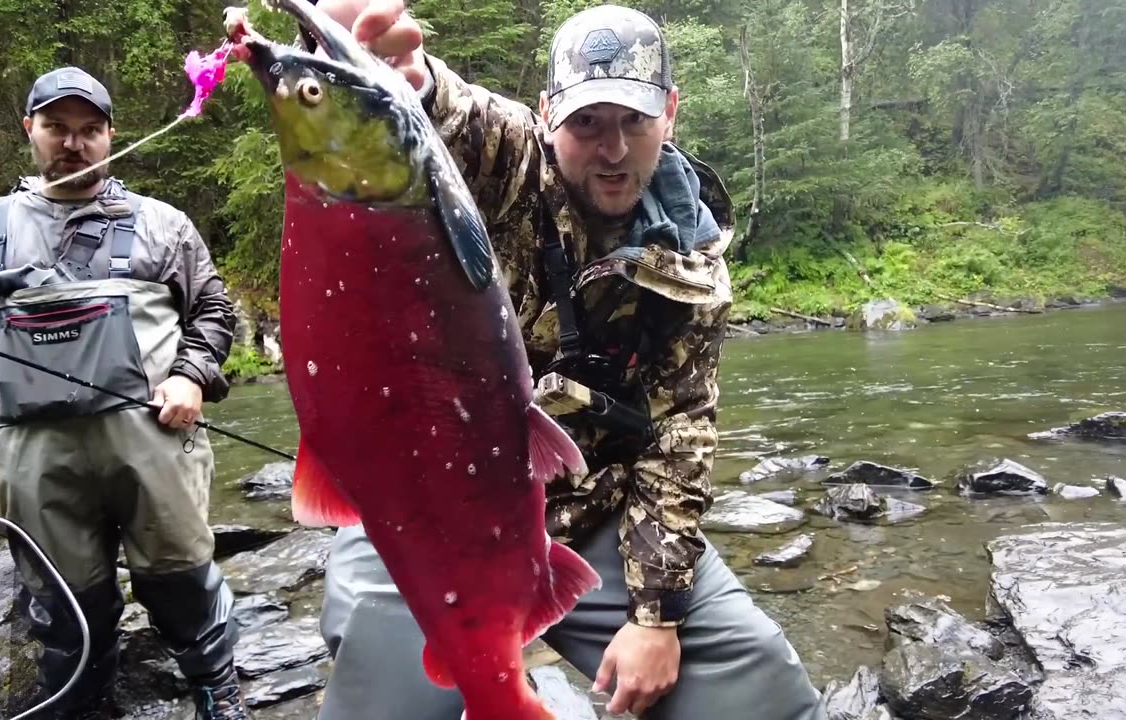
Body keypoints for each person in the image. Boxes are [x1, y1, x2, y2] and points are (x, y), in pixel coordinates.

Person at [311, 2, 827, 719]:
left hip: (587, 518)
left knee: (764, 690)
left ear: (669, 114)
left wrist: (657, 617)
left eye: (633, 121)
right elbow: (443, 114)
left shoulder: (694, 266)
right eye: (587, 123)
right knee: (380, 697)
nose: (611, 149)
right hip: (426, 508)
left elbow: (679, 438)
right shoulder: (513, 160)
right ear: (549, 115)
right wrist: (396, 74)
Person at [0, 66, 251, 720]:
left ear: (110, 136)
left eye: (89, 130)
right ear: (30, 132)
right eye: (57, 129)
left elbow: (214, 310)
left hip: (153, 444)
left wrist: (192, 374)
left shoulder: (162, 225)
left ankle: (219, 691)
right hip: (36, 458)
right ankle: (86, 695)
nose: (74, 144)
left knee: (181, 582)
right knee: (65, 602)